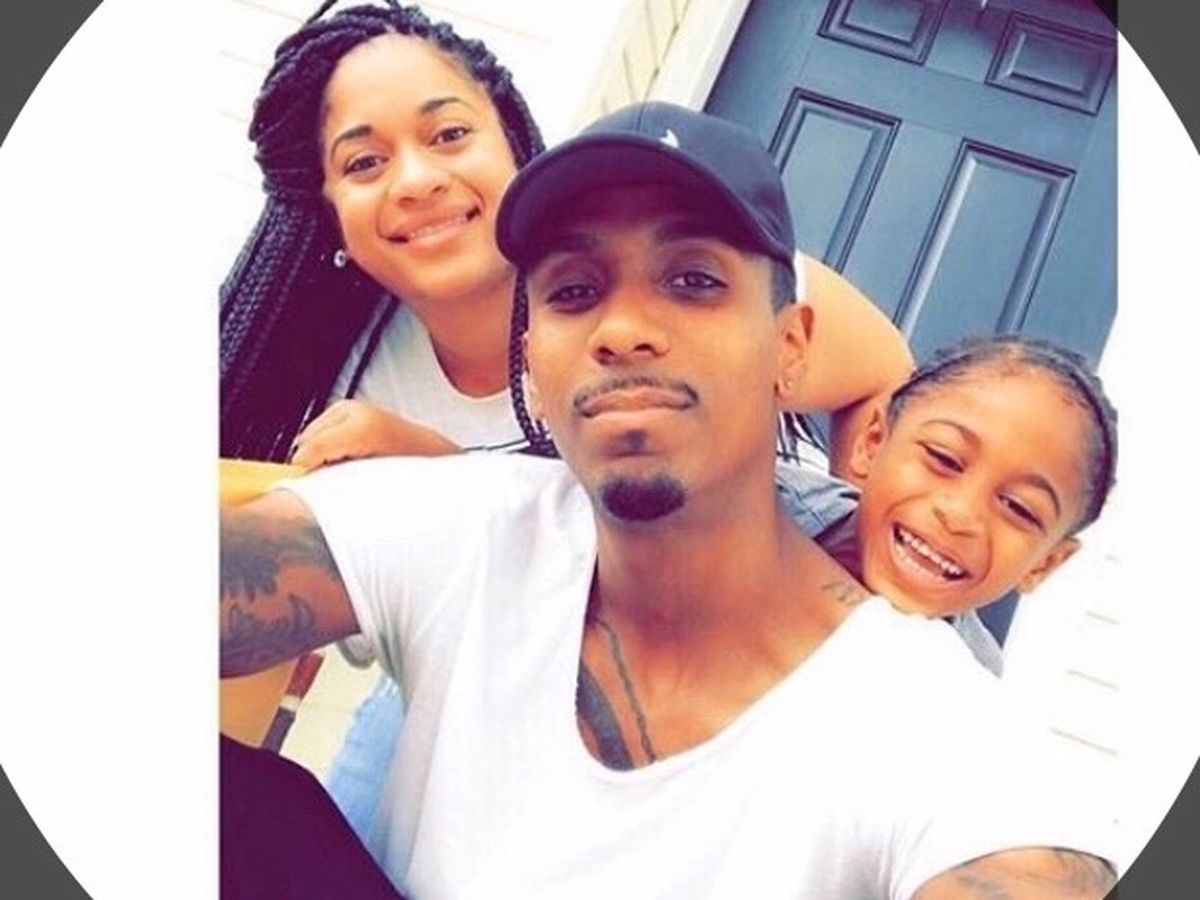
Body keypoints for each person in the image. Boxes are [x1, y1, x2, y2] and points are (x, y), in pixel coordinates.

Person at [220, 101, 1116, 898]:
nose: (623, 331)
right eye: (575, 291)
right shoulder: (472, 521)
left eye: (694, 281)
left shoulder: (936, 722)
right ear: (533, 357)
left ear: (791, 348)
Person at [217, 0, 914, 834]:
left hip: (735, 654)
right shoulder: (344, 381)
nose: (416, 179)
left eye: (449, 135)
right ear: (327, 209)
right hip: (496, 673)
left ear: (511, 141)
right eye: (365, 162)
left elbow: (887, 380)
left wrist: (866, 560)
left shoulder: (707, 276)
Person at [784, 334, 1118, 674]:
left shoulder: (962, 687)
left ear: (1044, 564)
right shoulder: (762, 503)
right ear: (873, 442)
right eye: (944, 458)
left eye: (1019, 508)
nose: (960, 515)